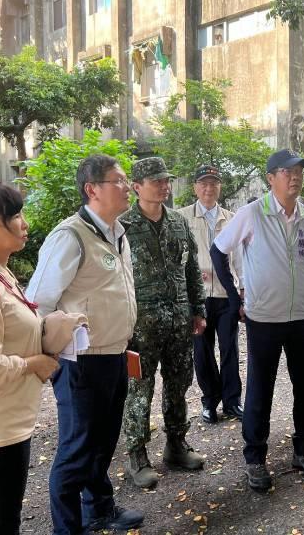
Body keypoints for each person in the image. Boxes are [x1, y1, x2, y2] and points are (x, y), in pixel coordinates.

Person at [0, 183, 81, 535]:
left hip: (6, 427)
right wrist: (33, 364)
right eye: (14, 216)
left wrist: (54, 330)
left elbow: (12, 335)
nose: (24, 223)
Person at [26, 154, 143, 535]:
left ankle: (99, 509)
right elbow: (38, 302)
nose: (128, 187)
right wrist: (47, 356)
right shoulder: (70, 236)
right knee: (76, 451)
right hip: (81, 362)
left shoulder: (117, 232)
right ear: (92, 189)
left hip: (113, 353)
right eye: (119, 181)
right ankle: (67, 528)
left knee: (104, 441)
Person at [210, 148, 304, 492]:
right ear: (271, 178)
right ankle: (255, 458)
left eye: (299, 172)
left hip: (303, 317)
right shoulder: (252, 213)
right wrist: (236, 297)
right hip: (263, 318)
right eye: (287, 172)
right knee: (260, 388)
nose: (295, 177)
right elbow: (218, 251)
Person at [119, 157, 208, 489]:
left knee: (178, 385)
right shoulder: (122, 226)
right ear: (137, 187)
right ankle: (137, 456)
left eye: (166, 180)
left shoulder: (179, 223)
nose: (164, 185)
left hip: (178, 321)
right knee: (139, 390)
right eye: (156, 181)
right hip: (140, 326)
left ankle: (176, 445)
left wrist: (197, 309)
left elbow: (191, 270)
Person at [179, 165, 244, 424]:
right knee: (202, 351)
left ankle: (232, 402)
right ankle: (210, 401)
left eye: (214, 183)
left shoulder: (232, 218)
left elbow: (239, 256)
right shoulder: (182, 217)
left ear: (220, 187)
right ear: (195, 187)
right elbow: (178, 257)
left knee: (230, 349)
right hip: (198, 296)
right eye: (203, 184)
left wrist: (242, 291)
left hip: (227, 295)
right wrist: (191, 278)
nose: (209, 188)